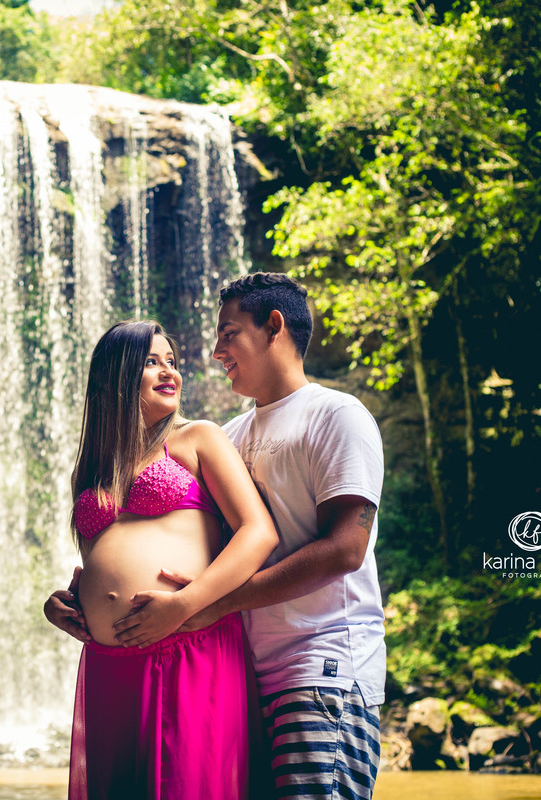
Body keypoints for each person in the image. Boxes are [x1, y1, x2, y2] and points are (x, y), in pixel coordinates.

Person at [103, 273, 387, 799]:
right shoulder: (230, 436)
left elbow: (345, 550)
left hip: (320, 667)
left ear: (273, 327)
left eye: (228, 334)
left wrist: (205, 605)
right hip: (242, 673)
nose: (216, 352)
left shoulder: (336, 416)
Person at [53, 320, 278, 800]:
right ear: (115, 376)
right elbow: (101, 562)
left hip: (187, 644)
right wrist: (67, 602)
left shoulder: (198, 438)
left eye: (171, 362)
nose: (169, 371)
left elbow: (258, 533)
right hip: (110, 665)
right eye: (151, 362)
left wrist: (184, 605)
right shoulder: (96, 467)